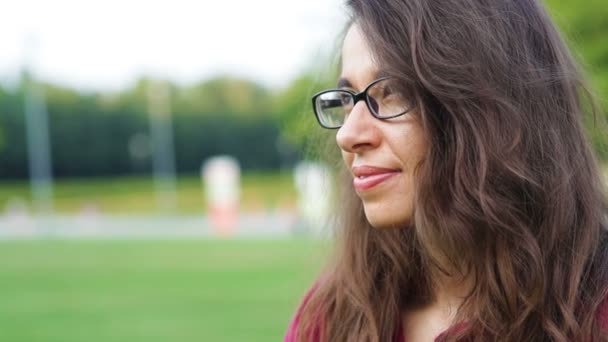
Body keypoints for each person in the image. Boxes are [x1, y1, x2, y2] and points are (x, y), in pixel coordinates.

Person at [285, 0, 608, 341]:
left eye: (393, 91)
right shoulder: (332, 318)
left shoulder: (594, 315)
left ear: (498, 114)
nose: (348, 134)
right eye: (349, 99)